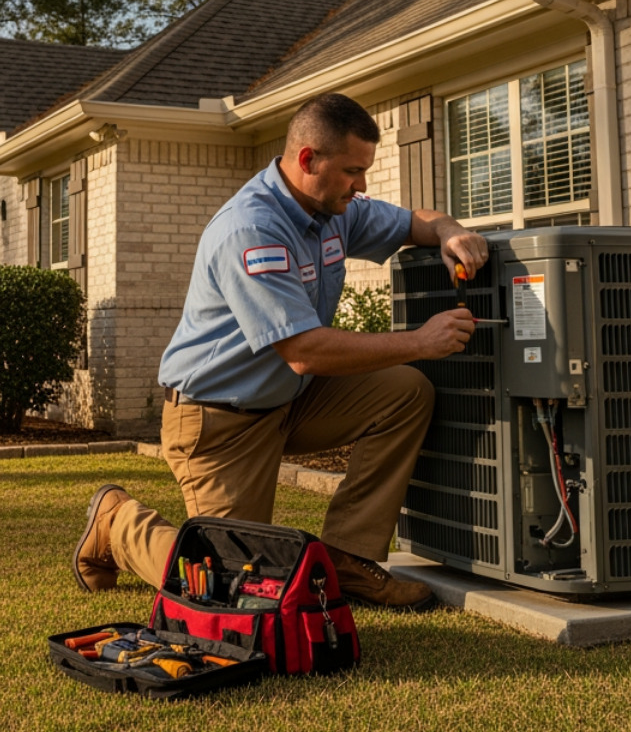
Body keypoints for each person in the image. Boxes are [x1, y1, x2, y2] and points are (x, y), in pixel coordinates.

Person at [72, 92, 484, 610]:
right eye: (353, 171)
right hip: (219, 421)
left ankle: (345, 556)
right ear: (308, 159)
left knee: (404, 392)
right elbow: (304, 351)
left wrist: (449, 230)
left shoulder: (334, 210)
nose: (362, 185)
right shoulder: (252, 228)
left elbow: (411, 222)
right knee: (229, 590)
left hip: (290, 402)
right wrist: (421, 342)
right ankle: (117, 523)